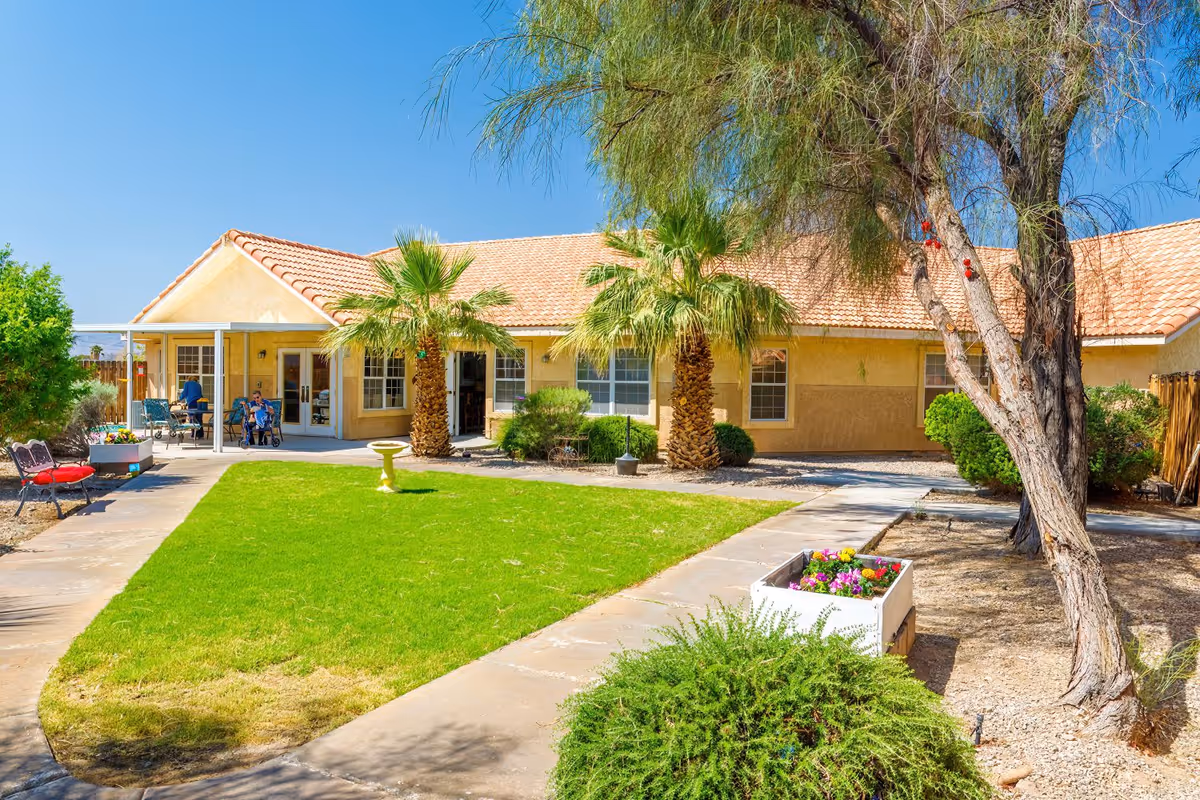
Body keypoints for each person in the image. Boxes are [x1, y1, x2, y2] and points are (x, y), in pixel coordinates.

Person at [178, 375, 205, 439]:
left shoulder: (187, 383)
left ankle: (193, 435)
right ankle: (200, 435)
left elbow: (184, 393)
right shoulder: (199, 385)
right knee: (199, 419)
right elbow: (201, 395)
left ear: (189, 379)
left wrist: (179, 399)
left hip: (192, 402)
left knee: (192, 419)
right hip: (200, 403)